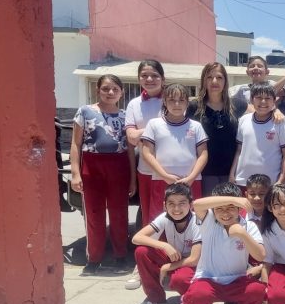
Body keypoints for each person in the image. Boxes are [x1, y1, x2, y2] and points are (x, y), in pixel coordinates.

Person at [70, 74, 136, 275]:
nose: (110, 92)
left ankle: (120, 256)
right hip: (92, 166)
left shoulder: (126, 116)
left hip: (119, 166)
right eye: (106, 88)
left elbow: (131, 149)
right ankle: (94, 259)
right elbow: (76, 143)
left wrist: (133, 178)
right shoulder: (86, 111)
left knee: (119, 214)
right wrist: (75, 173)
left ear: (121, 92)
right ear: (98, 90)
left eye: (115, 89)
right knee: (94, 214)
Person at [181, 182, 266, 304]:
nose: (225, 213)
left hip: (237, 279)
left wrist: (242, 234)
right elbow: (197, 204)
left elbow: (260, 255)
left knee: (256, 290)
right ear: (214, 209)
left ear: (239, 209)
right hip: (208, 279)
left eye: (231, 208)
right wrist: (232, 200)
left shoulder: (248, 226)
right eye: (220, 208)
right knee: (197, 295)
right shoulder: (209, 221)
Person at [130, 183, 201, 304]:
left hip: (195, 265)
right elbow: (137, 238)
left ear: (191, 205)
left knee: (180, 279)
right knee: (142, 252)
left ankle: (193, 300)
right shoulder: (164, 218)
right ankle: (156, 299)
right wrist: (165, 245)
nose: (176, 208)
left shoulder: (198, 222)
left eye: (182, 203)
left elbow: (194, 260)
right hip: (176, 258)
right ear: (164, 206)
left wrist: (167, 267)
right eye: (171, 204)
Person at [141, 84, 208, 220]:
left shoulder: (196, 126)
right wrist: (165, 175)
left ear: (187, 103)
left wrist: (191, 178)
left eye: (181, 100)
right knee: (160, 219)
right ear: (164, 101)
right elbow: (147, 153)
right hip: (161, 180)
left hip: (191, 181)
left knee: (192, 220)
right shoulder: (154, 124)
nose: (176, 104)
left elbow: (203, 154)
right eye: (172, 100)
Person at [187, 62, 248, 196]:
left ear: (225, 81)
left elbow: (262, 111)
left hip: (232, 172)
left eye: (219, 77)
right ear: (203, 80)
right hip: (204, 173)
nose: (214, 81)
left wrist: (275, 111)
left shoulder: (238, 105)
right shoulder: (193, 107)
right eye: (209, 77)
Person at [230, 83, 285, 188]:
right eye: (259, 97)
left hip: (270, 182)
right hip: (243, 180)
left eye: (268, 98)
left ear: (274, 101)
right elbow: (239, 150)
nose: (263, 101)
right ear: (252, 100)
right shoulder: (243, 120)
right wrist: (232, 173)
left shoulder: (281, 122)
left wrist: (281, 181)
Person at [125, 60, 165, 227]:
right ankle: (148, 249)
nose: (149, 79)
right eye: (144, 75)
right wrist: (157, 128)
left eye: (154, 75)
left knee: (172, 210)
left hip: (170, 168)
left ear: (163, 78)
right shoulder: (134, 104)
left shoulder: (173, 100)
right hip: (145, 169)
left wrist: (142, 132)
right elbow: (132, 137)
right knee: (148, 212)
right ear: (139, 78)